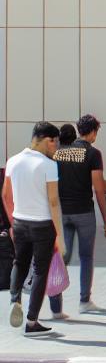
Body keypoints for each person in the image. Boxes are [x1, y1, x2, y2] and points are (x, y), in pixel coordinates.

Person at [3, 123, 64, 335]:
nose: (55, 146)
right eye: (54, 141)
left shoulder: (13, 161)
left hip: (20, 222)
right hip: (43, 225)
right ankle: (31, 322)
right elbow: (53, 201)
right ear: (44, 139)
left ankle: (14, 299)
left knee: (19, 262)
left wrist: (12, 222)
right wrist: (59, 236)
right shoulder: (48, 165)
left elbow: (5, 196)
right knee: (40, 271)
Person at [49, 115, 106, 320]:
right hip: (84, 212)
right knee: (86, 257)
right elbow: (99, 188)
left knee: (61, 259)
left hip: (62, 213)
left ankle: (56, 307)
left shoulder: (59, 153)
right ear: (92, 132)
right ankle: (84, 301)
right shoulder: (93, 154)